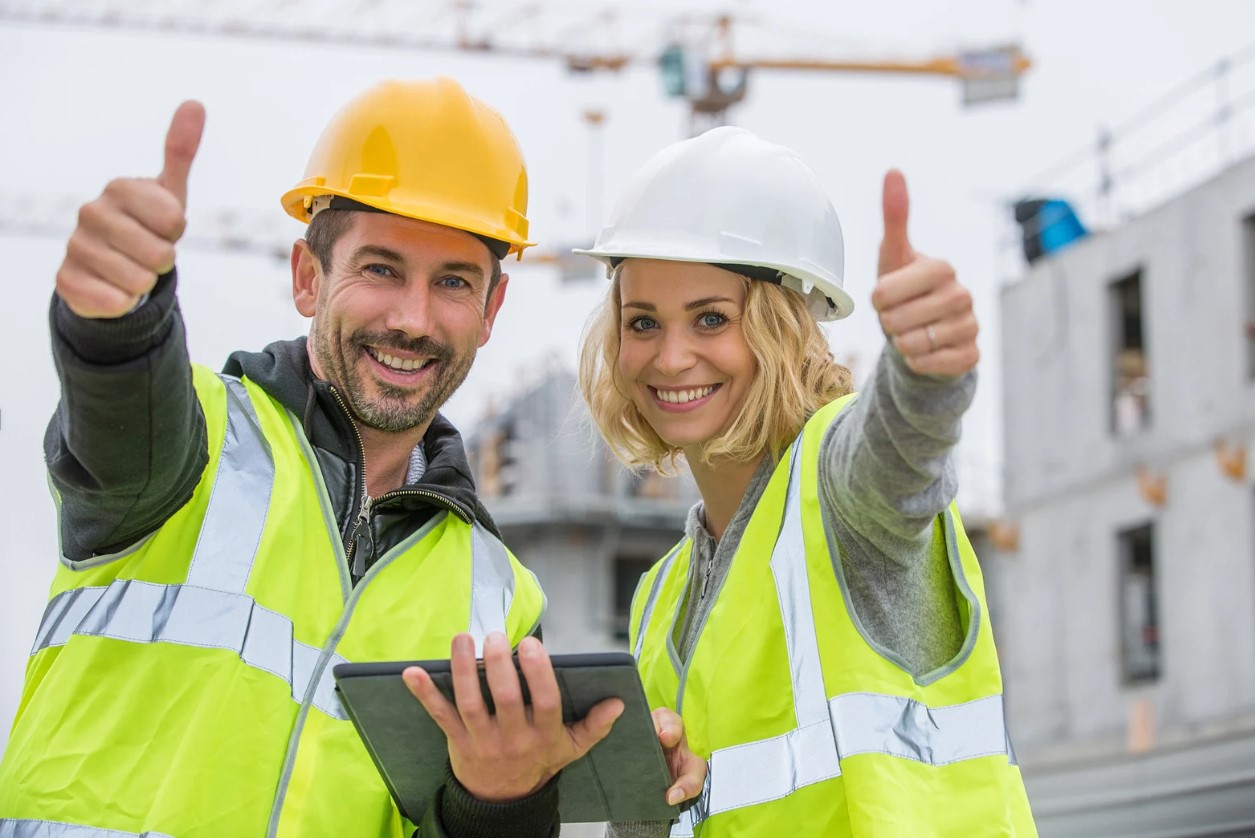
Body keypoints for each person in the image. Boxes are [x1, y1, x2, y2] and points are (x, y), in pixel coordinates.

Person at [0, 78, 702, 838]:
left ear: (491, 311)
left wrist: (500, 801)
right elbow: (119, 396)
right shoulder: (190, 445)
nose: (412, 318)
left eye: (453, 282)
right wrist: (118, 316)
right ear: (309, 278)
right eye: (380, 269)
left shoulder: (501, 596)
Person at [577, 127, 1038, 836]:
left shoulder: (840, 494)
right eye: (642, 322)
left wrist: (924, 375)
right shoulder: (658, 600)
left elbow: (898, 457)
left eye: (710, 318)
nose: (669, 357)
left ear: (781, 327)